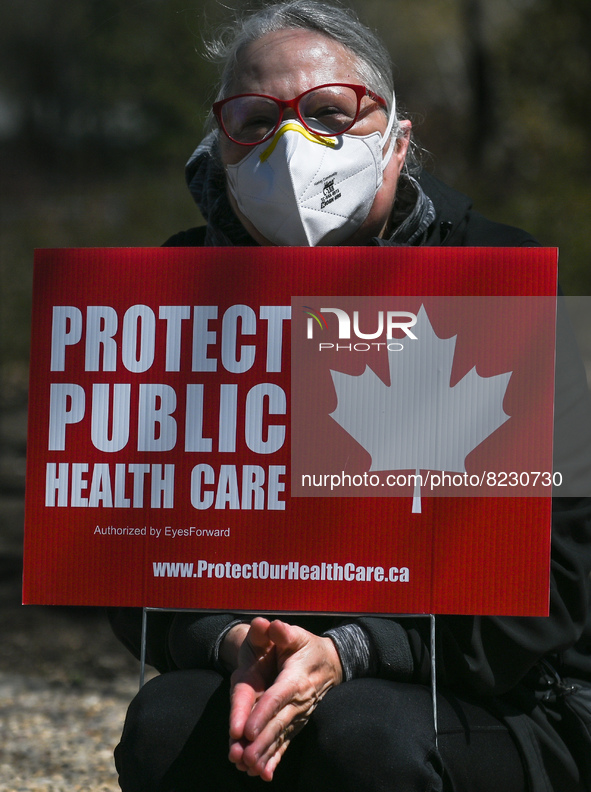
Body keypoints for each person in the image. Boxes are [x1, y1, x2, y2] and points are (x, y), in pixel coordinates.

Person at [109, 2, 591, 790]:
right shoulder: (174, 293)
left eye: (330, 114)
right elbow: (126, 553)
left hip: (493, 687)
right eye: (255, 120)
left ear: (396, 142)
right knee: (165, 727)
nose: (292, 146)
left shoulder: (499, 279)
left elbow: (553, 582)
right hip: (259, 655)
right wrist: (237, 642)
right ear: (219, 147)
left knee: (363, 735)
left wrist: (349, 653)